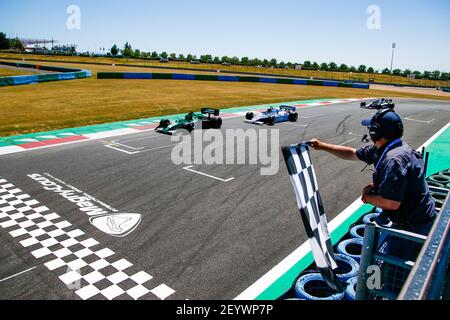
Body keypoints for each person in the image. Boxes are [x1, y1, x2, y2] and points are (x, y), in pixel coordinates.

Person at [309, 109, 436, 261]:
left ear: (376, 132)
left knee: (395, 274)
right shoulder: (388, 148)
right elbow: (353, 153)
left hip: (413, 228)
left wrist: (367, 197)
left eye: (371, 128)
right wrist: (322, 146)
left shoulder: (394, 158)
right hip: (412, 220)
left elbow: (392, 202)